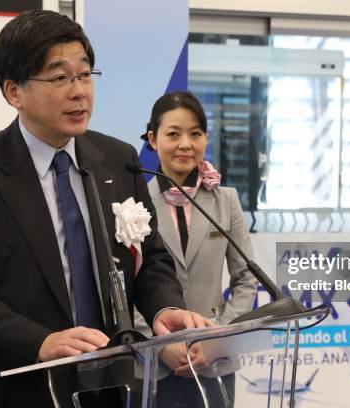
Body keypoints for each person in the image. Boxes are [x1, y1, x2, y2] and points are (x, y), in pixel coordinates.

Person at [0, 10, 209, 407]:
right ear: (14, 92)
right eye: (60, 77)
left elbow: (151, 258)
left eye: (85, 74)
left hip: (107, 386)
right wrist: (38, 342)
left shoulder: (116, 158)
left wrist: (165, 307)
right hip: (10, 390)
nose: (79, 91)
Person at [135, 91, 258, 407]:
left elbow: (246, 279)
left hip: (215, 360)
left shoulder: (226, 200)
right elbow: (124, 289)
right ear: (152, 138)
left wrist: (216, 339)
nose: (185, 144)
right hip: (155, 364)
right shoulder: (132, 204)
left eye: (195, 134)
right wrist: (161, 344)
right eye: (173, 134)